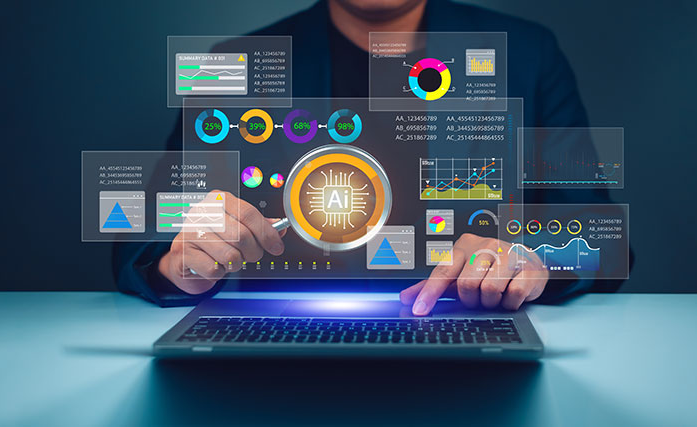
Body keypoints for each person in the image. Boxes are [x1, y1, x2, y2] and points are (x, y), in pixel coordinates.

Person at [114, 0, 627, 313]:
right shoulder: (231, 65)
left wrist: (531, 257)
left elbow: (601, 239)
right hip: (282, 357)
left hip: (470, 337)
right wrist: (175, 263)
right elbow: (141, 242)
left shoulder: (528, 53)